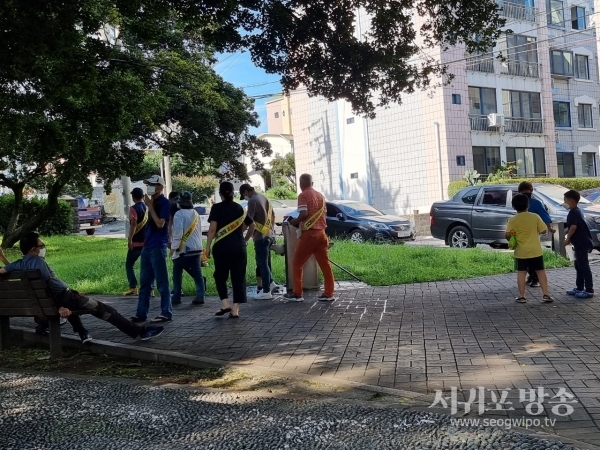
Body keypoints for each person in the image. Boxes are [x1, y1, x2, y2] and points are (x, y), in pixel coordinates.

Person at [0, 232, 164, 341]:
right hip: (64, 298)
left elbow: (2, 270)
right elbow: (47, 287)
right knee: (103, 309)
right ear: (33, 249)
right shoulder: (38, 263)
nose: (43, 248)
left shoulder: (18, 264)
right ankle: (139, 332)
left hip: (55, 300)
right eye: (41, 246)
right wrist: (59, 306)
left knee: (74, 299)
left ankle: (81, 333)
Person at [206, 182, 255, 318]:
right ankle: (235, 309)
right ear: (233, 193)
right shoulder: (240, 208)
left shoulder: (216, 208)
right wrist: (244, 240)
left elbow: (212, 229)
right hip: (239, 247)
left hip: (221, 247)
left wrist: (207, 247)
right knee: (238, 277)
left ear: (220, 194)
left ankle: (225, 304)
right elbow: (253, 226)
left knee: (220, 276)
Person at [285, 174, 336, 302]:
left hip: (310, 235)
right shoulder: (321, 196)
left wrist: (294, 222)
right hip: (322, 234)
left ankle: (297, 293)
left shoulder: (303, 195)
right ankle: (329, 293)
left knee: (297, 262)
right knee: (325, 264)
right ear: (312, 183)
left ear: (301, 184)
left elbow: (304, 214)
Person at [132, 175, 173, 324]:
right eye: (148, 184)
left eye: (152, 184)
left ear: (160, 187)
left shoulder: (164, 203)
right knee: (145, 283)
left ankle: (166, 312)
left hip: (157, 246)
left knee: (162, 282)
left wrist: (149, 206)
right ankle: (141, 313)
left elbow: (161, 223)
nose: (149, 187)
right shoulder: (152, 202)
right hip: (147, 246)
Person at [505, 194, 553, 304]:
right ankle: (545, 294)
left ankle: (522, 296)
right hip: (535, 250)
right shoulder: (535, 217)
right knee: (541, 272)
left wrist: (512, 237)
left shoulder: (513, 220)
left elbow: (507, 235)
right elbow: (544, 231)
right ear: (528, 205)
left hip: (521, 252)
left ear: (514, 207)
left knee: (521, 273)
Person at [239, 183, 279, 300]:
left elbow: (248, 221)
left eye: (243, 195)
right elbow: (273, 216)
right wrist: (271, 230)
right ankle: (271, 283)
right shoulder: (264, 198)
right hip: (269, 235)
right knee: (266, 262)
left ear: (246, 192)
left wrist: (242, 236)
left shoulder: (252, 201)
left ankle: (266, 291)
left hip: (260, 237)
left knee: (262, 263)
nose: (245, 198)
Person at [170, 191, 205, 306]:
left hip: (184, 249)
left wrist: (173, 248)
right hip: (197, 248)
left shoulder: (179, 214)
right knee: (197, 273)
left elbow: (178, 233)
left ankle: (176, 296)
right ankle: (200, 296)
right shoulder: (195, 213)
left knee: (177, 272)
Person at [517, 181, 555, 287]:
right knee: (528, 257)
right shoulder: (527, 203)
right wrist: (549, 227)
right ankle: (532, 276)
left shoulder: (535, 203)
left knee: (530, 257)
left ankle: (534, 277)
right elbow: (545, 217)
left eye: (527, 192)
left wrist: (549, 228)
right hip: (526, 234)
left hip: (530, 234)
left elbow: (544, 216)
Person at [123, 187, 155, 297]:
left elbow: (133, 224)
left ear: (132, 197)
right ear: (142, 196)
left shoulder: (133, 209)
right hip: (147, 242)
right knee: (149, 266)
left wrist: (130, 239)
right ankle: (151, 289)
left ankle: (133, 287)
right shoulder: (148, 208)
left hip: (136, 242)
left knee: (129, 265)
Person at [564, 189, 594, 299]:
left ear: (571, 200)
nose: (564, 202)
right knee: (579, 265)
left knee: (583, 266)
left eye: (565, 200)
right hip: (579, 243)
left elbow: (573, 227)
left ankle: (589, 290)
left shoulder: (574, 212)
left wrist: (567, 238)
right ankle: (580, 287)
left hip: (581, 243)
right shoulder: (576, 211)